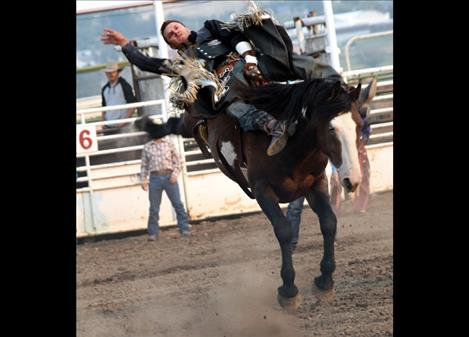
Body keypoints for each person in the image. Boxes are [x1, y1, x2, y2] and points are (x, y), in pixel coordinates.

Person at [285, 99, 374, 250]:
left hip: (311, 172)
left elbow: (332, 146)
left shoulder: (321, 125)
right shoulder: (312, 124)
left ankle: (308, 241)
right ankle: (293, 243)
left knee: (307, 207)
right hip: (304, 171)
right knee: (310, 206)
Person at [140, 136, 190, 240]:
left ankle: (184, 228)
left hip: (169, 176)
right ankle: (153, 233)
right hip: (154, 178)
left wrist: (175, 175)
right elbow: (144, 165)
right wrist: (144, 180)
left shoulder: (169, 143)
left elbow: (178, 160)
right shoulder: (147, 147)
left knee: (177, 204)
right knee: (154, 207)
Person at [101, 61, 137, 135]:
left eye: (112, 72)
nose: (110, 75)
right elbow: (104, 108)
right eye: (108, 73)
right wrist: (103, 122)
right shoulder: (104, 89)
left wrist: (123, 122)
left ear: (117, 72)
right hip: (108, 126)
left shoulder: (125, 86)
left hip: (123, 126)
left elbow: (132, 106)